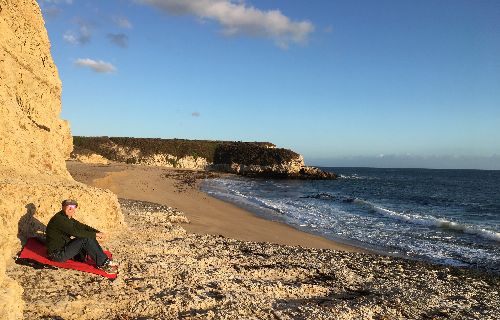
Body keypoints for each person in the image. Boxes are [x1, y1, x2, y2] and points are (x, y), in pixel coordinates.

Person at [45, 199, 118, 274]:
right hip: (56, 255)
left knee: (86, 236)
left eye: (73, 206)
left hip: (63, 247)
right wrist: (95, 234)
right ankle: (104, 264)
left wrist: (97, 232)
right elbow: (75, 232)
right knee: (85, 238)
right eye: (68, 206)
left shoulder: (67, 218)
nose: (71, 209)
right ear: (63, 207)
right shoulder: (59, 219)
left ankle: (102, 260)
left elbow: (82, 226)